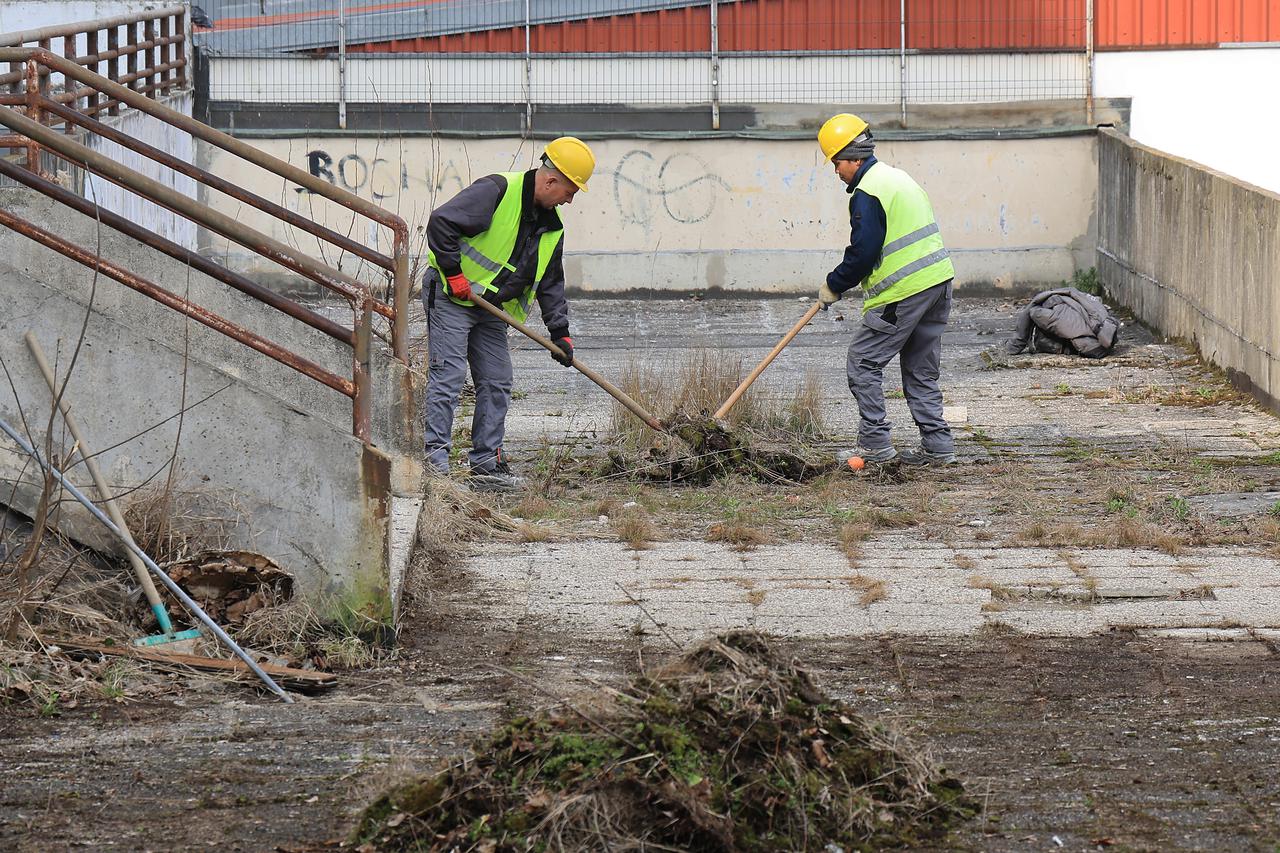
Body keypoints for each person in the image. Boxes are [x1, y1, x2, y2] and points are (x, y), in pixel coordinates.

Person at [422, 137, 594, 491]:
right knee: (449, 378)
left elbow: (550, 281)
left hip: (489, 309)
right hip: (452, 296)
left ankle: (486, 465)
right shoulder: (496, 190)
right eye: (569, 191)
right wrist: (454, 273)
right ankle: (435, 467)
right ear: (550, 181)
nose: (569, 200)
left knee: (497, 381)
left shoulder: (552, 227)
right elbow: (441, 223)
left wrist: (560, 333)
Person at [815, 113, 958, 466]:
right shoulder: (898, 178)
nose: (836, 172)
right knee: (921, 370)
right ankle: (938, 447)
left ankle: (875, 445)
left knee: (863, 362)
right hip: (938, 284)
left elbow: (863, 253)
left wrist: (833, 285)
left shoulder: (867, 193)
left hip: (903, 293)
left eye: (836, 163)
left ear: (853, 157)